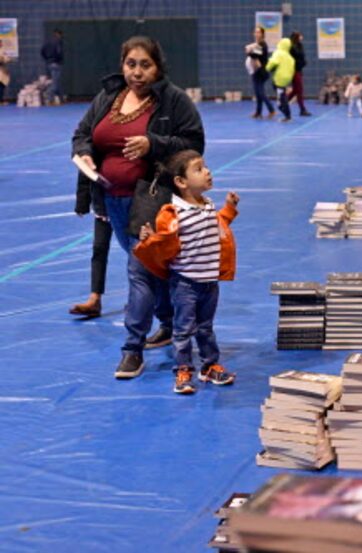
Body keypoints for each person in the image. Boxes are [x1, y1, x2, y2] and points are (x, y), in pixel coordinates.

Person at [71, 35, 205, 378]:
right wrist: (85, 151)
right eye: (131, 64)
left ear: (157, 67)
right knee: (152, 270)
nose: (137, 72)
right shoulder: (108, 96)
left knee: (140, 272)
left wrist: (153, 144)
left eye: (145, 65)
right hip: (110, 198)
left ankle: (132, 349)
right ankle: (172, 324)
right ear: (122, 66)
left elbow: (193, 143)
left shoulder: (172, 100)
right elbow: (83, 133)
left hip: (151, 201)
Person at [134, 150, 238, 395]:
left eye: (206, 167)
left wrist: (230, 209)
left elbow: (217, 225)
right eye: (199, 169)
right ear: (181, 182)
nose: (208, 172)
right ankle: (183, 370)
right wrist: (148, 240)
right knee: (182, 330)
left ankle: (209, 366)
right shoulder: (172, 213)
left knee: (206, 328)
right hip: (185, 284)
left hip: (210, 283)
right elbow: (163, 242)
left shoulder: (207, 206)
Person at [245, 26, 275, 119]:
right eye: (255, 32)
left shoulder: (262, 44)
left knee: (260, 92)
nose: (256, 34)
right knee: (258, 93)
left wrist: (248, 51)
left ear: (262, 34)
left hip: (261, 72)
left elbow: (254, 55)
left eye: (258, 32)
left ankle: (271, 110)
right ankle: (258, 112)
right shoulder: (258, 44)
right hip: (256, 71)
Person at [266, 37, 296, 122]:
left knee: (281, 102)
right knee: (282, 96)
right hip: (286, 80)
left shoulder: (278, 53)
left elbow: (273, 62)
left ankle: (287, 116)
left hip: (279, 79)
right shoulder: (290, 58)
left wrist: (266, 68)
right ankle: (287, 115)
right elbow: (292, 69)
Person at [286, 31, 311, 117]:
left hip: (299, 69)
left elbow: (301, 56)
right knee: (299, 90)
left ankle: (283, 103)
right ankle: (302, 109)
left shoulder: (299, 45)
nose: (301, 37)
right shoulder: (292, 47)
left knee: (296, 90)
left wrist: (303, 62)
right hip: (294, 70)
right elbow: (297, 56)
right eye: (299, 35)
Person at [41, 29, 64, 105]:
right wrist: (59, 60)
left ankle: (61, 99)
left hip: (49, 64)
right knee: (55, 84)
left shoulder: (47, 42)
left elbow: (42, 51)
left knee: (58, 82)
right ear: (59, 34)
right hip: (56, 64)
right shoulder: (58, 42)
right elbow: (59, 52)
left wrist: (47, 59)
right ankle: (49, 97)